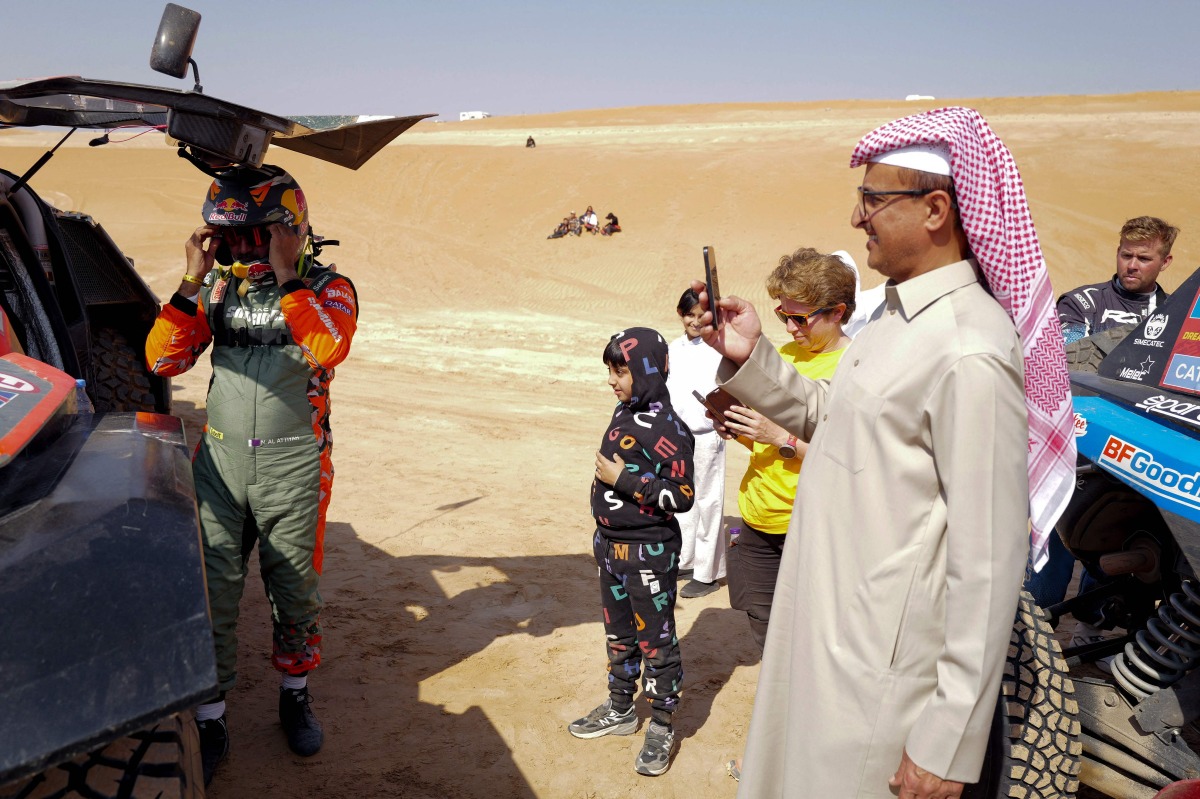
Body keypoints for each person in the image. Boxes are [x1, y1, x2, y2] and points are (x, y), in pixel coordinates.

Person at [695, 108, 1075, 797]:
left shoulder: (968, 348)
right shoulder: (895, 320)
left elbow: (988, 563)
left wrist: (946, 741)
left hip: (878, 684)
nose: (856, 217)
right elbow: (837, 419)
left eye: (872, 199)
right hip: (829, 640)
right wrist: (752, 355)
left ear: (935, 210)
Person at [145, 164, 358, 785]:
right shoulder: (217, 289)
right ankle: (211, 717)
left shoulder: (329, 287)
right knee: (212, 590)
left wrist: (288, 276)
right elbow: (161, 359)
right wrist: (191, 279)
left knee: (294, 589)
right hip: (220, 463)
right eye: (229, 236)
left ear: (289, 229)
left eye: (252, 235)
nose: (239, 249)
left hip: (294, 465)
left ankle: (295, 694)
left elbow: (329, 348)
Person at [569, 327, 695, 777]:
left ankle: (661, 723)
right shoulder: (625, 410)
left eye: (620, 371)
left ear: (645, 372)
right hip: (610, 548)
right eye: (610, 370)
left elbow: (682, 495)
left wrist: (623, 481)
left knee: (655, 641)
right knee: (619, 635)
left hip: (648, 553)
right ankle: (621, 707)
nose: (612, 380)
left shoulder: (670, 429)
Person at [722, 248, 854, 650]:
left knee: (814, 641)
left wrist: (782, 440)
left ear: (838, 311)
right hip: (757, 520)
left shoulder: (855, 368)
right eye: (783, 316)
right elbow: (761, 440)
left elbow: (849, 458)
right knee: (766, 634)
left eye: (800, 318)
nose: (791, 328)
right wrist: (738, 428)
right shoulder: (781, 358)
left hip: (811, 529)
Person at [666, 288, 727, 598]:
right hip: (678, 436)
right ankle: (686, 560)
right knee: (684, 499)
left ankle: (708, 573)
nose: (695, 321)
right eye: (689, 315)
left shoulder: (718, 348)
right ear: (681, 315)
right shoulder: (672, 349)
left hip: (707, 433)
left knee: (709, 501)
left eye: (701, 315)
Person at [1056, 215, 1178, 344]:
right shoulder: (1080, 303)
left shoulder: (1178, 312)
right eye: (1126, 256)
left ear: (1165, 262)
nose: (1132, 266)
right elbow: (1072, 354)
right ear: (1118, 252)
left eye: (1144, 259)